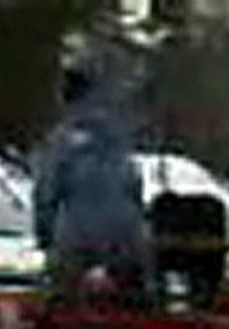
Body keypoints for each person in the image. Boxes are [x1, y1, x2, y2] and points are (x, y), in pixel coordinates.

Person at [33, 44, 154, 307]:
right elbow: (134, 184)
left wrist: (43, 234)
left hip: (77, 233)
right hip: (127, 232)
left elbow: (47, 191)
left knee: (63, 294)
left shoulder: (61, 140)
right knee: (134, 295)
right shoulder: (118, 136)